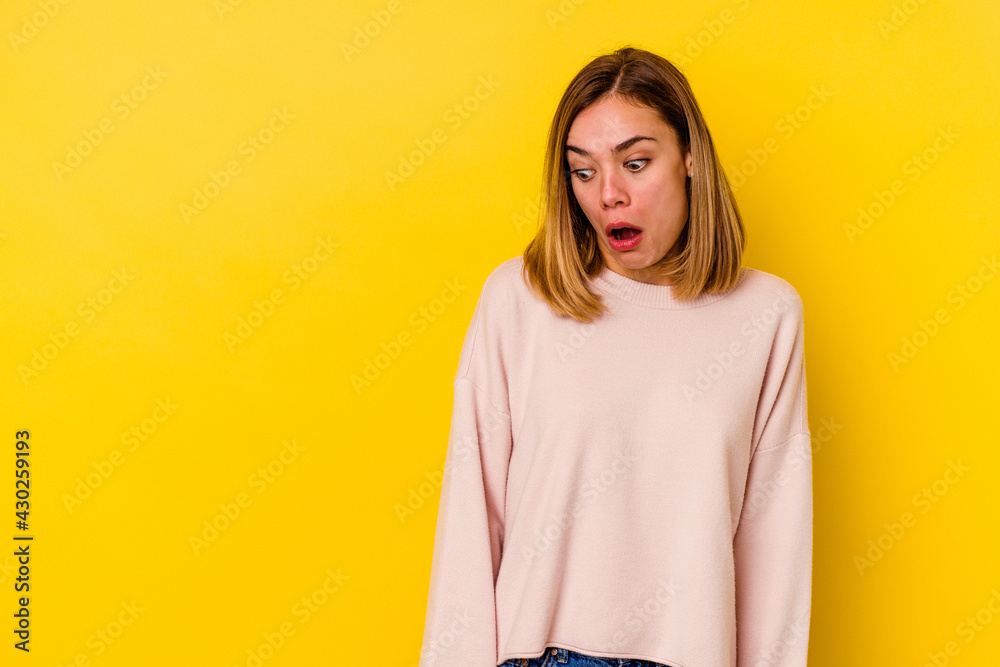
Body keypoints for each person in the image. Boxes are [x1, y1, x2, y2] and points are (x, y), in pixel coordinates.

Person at [418, 46, 812, 667]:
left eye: (635, 163)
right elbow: (471, 514)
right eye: (583, 171)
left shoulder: (765, 315)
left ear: (691, 157)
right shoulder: (521, 298)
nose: (609, 194)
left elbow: (776, 544)